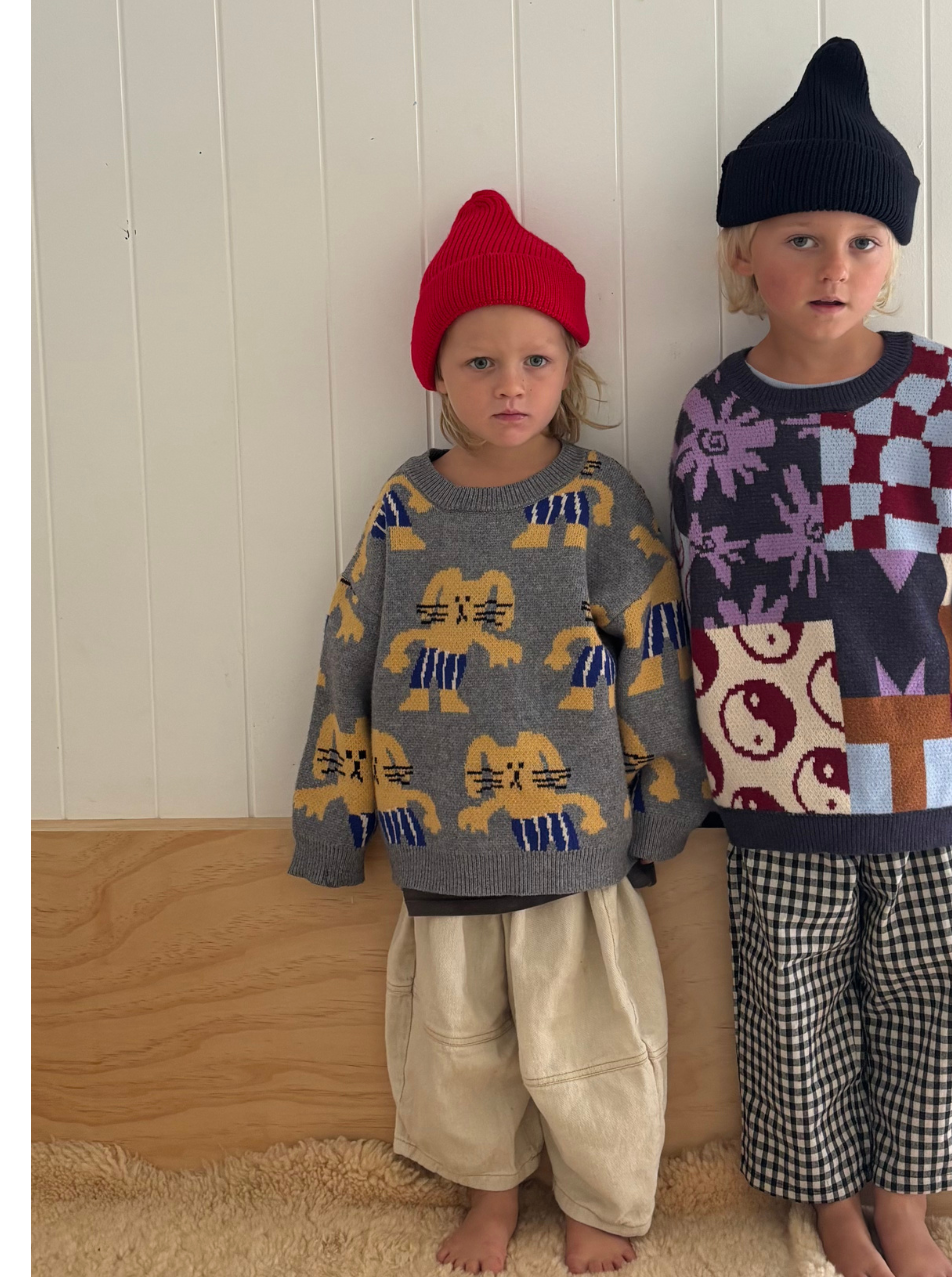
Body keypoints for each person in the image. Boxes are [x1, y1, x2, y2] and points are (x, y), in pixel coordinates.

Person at [668, 38, 952, 1277]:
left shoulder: (947, 395)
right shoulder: (715, 413)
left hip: (925, 770)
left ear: (894, 254)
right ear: (744, 254)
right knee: (789, 1005)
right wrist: (689, 777)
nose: (834, 266)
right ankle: (831, 1207)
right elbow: (700, 606)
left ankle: (905, 1202)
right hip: (778, 777)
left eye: (863, 240)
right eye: (801, 238)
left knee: (933, 995)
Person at [289, 190, 707, 1275]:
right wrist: (331, 822)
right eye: (480, 362)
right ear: (436, 375)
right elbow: (347, 654)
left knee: (592, 1045)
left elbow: (655, 654)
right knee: (456, 1045)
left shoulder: (602, 500)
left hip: (578, 847)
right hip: (440, 842)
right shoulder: (406, 506)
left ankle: (600, 1199)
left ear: (570, 369)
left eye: (535, 359)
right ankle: (488, 1196)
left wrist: (668, 803)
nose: (509, 383)